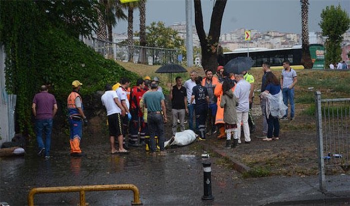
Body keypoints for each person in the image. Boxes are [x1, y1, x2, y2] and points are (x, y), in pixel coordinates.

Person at [101, 84, 128, 154]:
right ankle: (121, 148)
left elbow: (104, 106)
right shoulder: (113, 92)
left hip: (109, 114)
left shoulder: (103, 96)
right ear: (111, 88)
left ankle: (113, 149)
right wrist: (122, 109)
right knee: (120, 131)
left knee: (112, 133)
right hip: (116, 113)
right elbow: (116, 100)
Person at [32, 85, 58, 159]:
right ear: (47, 90)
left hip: (39, 118)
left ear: (40, 90)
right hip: (49, 118)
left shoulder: (37, 96)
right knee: (48, 136)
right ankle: (47, 154)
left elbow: (33, 107)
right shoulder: (52, 96)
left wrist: (35, 115)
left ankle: (41, 146)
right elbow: (56, 107)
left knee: (39, 134)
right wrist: (52, 115)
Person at [143, 80, 167, 155]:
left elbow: (145, 105)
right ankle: (162, 150)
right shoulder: (160, 94)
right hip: (158, 114)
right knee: (161, 132)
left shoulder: (146, 94)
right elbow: (163, 105)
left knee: (152, 133)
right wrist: (165, 116)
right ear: (156, 87)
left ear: (150, 87)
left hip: (150, 115)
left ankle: (153, 151)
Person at [261, 72, 285, 141]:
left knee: (270, 121)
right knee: (276, 120)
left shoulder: (269, 85)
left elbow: (265, 94)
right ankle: (276, 135)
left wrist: (261, 95)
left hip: (270, 105)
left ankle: (269, 136)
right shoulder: (277, 85)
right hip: (277, 105)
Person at [67, 80, 88, 157]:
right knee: (77, 134)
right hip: (76, 117)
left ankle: (73, 149)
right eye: (80, 86)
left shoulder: (70, 95)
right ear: (78, 87)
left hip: (70, 117)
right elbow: (79, 107)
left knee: (72, 134)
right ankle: (76, 150)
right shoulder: (76, 96)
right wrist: (84, 117)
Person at [220, 79, 238, 148]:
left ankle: (228, 143)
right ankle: (235, 143)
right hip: (234, 113)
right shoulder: (233, 94)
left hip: (227, 113)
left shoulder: (224, 96)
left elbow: (222, 105)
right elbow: (237, 103)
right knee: (235, 128)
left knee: (228, 130)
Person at [234, 73, 251, 144]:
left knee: (238, 122)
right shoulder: (248, 84)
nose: (235, 79)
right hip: (246, 105)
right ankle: (247, 138)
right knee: (245, 122)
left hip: (239, 105)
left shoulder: (238, 85)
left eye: (236, 78)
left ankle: (238, 138)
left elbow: (236, 97)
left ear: (238, 77)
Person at [129, 78, 146, 146]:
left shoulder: (137, 90)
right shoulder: (136, 91)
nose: (144, 85)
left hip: (136, 110)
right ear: (140, 84)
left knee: (139, 125)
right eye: (143, 84)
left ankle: (138, 140)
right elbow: (139, 103)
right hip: (136, 111)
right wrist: (142, 111)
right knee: (135, 125)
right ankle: (134, 141)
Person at [202, 70, 218, 135]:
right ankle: (208, 129)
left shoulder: (215, 80)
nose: (210, 75)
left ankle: (214, 129)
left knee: (214, 116)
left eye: (211, 74)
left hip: (214, 101)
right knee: (208, 116)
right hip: (206, 102)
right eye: (208, 74)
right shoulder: (203, 81)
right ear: (206, 75)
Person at [116, 78, 131, 147]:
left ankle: (122, 142)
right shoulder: (121, 91)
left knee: (123, 127)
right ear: (126, 83)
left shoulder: (119, 90)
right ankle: (123, 144)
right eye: (129, 83)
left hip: (121, 111)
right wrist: (128, 111)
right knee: (124, 128)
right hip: (123, 112)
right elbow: (123, 102)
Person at [259, 62, 272, 139]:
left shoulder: (265, 76)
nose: (262, 68)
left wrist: (261, 95)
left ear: (265, 67)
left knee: (264, 114)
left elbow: (263, 86)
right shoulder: (272, 76)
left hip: (265, 96)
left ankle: (265, 131)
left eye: (262, 66)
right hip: (271, 96)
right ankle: (271, 130)